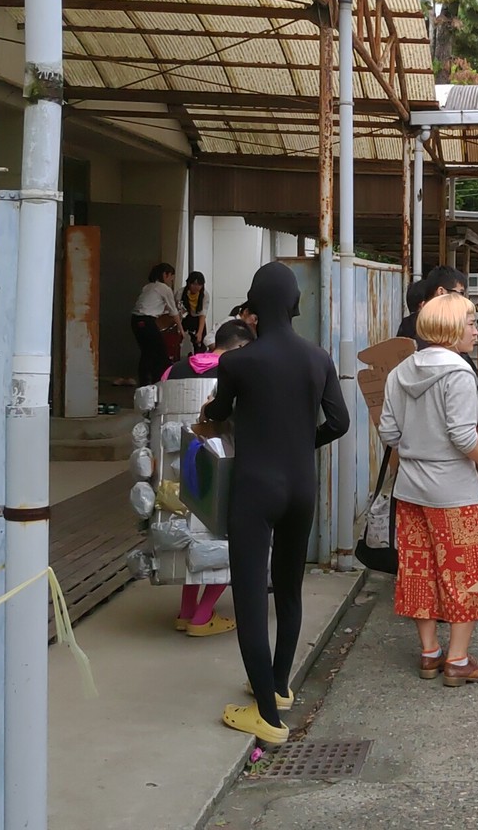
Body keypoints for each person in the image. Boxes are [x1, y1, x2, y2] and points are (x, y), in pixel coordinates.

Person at [204, 262, 351, 745]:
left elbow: (218, 413)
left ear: (253, 308)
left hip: (255, 488)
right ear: (294, 304)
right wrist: (303, 441)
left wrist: (212, 413)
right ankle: (280, 686)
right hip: (301, 488)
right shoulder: (318, 358)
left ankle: (266, 716)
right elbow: (340, 422)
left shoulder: (238, 363)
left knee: (250, 599)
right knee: (288, 590)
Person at [378, 293, 478, 687]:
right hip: (455, 491)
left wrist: (416, 443)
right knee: (465, 572)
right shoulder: (458, 373)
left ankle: (429, 653)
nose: (477, 331)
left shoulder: (400, 372)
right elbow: (462, 435)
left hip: (410, 488)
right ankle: (458, 659)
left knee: (418, 570)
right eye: (471, 323)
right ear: (453, 328)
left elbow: (388, 432)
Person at [162, 319, 255, 636]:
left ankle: (186, 611)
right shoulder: (237, 372)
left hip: (177, 472)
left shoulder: (173, 371)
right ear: (240, 346)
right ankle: (202, 618)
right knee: (226, 540)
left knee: (190, 538)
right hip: (222, 464)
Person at [131, 262, 181, 385]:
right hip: (146, 321)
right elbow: (173, 311)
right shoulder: (164, 288)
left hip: (135, 320)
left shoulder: (148, 287)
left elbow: (154, 306)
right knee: (161, 353)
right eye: (171, 277)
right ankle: (159, 381)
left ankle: (145, 382)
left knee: (147, 352)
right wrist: (181, 329)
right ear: (165, 275)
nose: (171, 281)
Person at [399, 265, 466, 345]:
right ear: (441, 292)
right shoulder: (426, 328)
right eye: (461, 293)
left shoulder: (411, 324)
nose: (463, 299)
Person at [179, 270, 210, 356]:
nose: (196, 287)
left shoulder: (205, 294)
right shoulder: (180, 293)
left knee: (200, 343)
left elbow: (202, 315)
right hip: (184, 318)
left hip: (198, 319)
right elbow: (177, 311)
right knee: (178, 340)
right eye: (193, 284)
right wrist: (180, 329)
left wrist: (199, 333)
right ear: (188, 283)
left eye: (199, 284)